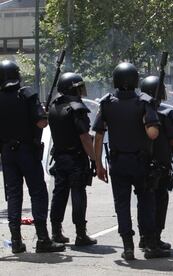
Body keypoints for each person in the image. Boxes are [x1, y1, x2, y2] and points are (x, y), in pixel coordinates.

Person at [93, 62, 169, 260]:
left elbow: (98, 136)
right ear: (136, 80)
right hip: (141, 163)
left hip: (117, 163)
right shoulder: (144, 102)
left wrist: (98, 165)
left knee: (122, 205)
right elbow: (152, 134)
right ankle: (150, 244)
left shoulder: (107, 103)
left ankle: (128, 246)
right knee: (146, 202)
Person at [0, 60, 65, 253]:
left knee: (13, 195)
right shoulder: (27, 94)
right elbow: (41, 123)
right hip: (27, 151)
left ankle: (16, 241)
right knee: (37, 192)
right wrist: (42, 113)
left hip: (6, 153)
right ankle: (43, 239)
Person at [48, 72, 97, 246]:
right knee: (78, 194)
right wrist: (95, 159)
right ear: (71, 89)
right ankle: (81, 234)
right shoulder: (77, 108)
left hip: (60, 157)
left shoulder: (53, 106)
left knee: (59, 194)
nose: (81, 91)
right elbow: (84, 137)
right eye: (78, 88)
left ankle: (55, 232)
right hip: (76, 158)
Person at [138, 75, 173, 253]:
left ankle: (143, 237)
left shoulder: (136, 111)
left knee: (143, 201)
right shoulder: (165, 113)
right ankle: (154, 238)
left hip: (140, 163)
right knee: (159, 200)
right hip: (160, 166)